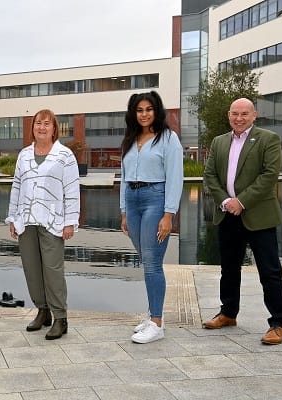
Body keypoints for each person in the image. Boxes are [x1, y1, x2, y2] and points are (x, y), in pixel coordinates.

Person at [202, 97, 282, 345]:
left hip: (258, 216)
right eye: (234, 114)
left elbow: (269, 175)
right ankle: (228, 313)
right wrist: (225, 202)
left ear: (254, 115)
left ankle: (278, 324)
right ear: (229, 115)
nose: (239, 118)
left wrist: (241, 201)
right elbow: (210, 175)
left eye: (244, 114)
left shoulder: (267, 139)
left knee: (269, 271)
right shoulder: (219, 142)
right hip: (227, 214)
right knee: (228, 268)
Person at [6, 109, 80, 340]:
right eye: (38, 123)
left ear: (54, 128)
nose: (42, 127)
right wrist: (13, 218)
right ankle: (43, 311)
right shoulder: (24, 155)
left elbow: (72, 190)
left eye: (47, 124)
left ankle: (61, 317)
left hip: (52, 222)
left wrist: (70, 222)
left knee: (53, 270)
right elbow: (17, 188)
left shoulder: (64, 156)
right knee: (32, 269)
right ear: (33, 128)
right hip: (26, 221)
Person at [120, 91, 183, 344]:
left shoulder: (169, 138)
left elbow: (176, 178)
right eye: (139, 110)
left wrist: (169, 215)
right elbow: (123, 177)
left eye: (149, 109)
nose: (144, 114)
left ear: (157, 110)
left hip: (155, 200)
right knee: (146, 260)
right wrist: (123, 211)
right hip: (133, 202)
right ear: (133, 114)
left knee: (153, 262)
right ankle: (153, 314)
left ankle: (157, 323)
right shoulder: (131, 139)